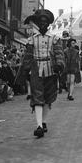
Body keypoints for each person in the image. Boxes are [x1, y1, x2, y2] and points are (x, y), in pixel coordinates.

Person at [21, 9, 65, 138]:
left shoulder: (55, 39)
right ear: (37, 23)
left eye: (45, 21)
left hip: (51, 70)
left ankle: (44, 121)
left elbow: (59, 53)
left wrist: (59, 64)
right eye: (40, 21)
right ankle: (39, 126)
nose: (43, 24)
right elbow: (28, 56)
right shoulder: (31, 40)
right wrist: (25, 70)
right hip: (36, 70)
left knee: (48, 97)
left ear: (49, 24)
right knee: (38, 96)